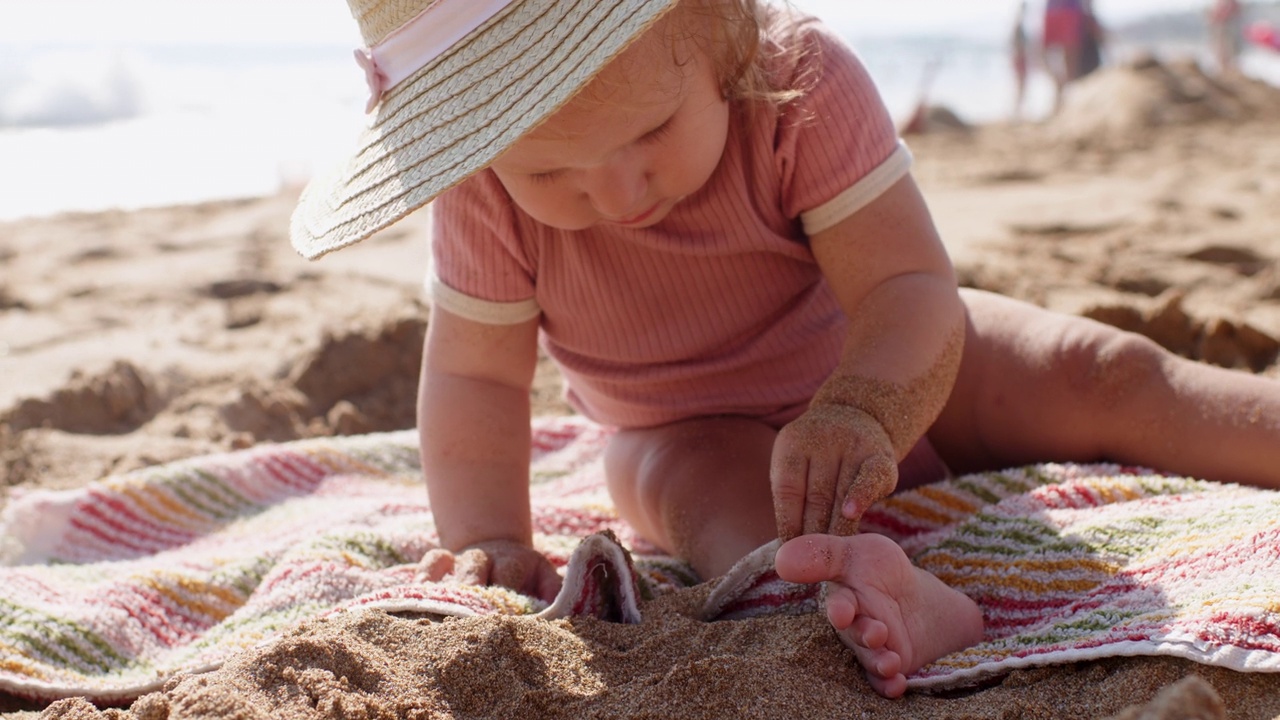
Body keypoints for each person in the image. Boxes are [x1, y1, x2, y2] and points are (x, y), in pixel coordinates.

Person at [290, 0, 1280, 699]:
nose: (620, 191)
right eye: (556, 172)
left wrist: (862, 404)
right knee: (720, 508)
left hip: (889, 359)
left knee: (1105, 376)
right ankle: (879, 593)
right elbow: (473, 377)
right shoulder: (483, 193)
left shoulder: (795, 82)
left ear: (717, 25)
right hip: (679, 425)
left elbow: (905, 289)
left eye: (651, 132)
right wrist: (491, 539)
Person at [1041, 0, 1087, 110]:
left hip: (1068, 9)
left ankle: (1066, 97)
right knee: (1043, 56)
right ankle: (1061, 90)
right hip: (1055, 9)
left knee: (1070, 60)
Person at [1209, 0, 1244, 75]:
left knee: (1228, 47)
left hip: (1229, 26)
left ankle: (1228, 68)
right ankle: (1223, 68)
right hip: (1222, 26)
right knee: (1221, 46)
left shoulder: (1232, 4)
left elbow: (1237, 9)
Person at [1011, 1, 1031, 119]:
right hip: (1020, 59)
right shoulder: (1018, 25)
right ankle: (1017, 112)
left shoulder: (1019, 24)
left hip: (1021, 59)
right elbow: (1017, 45)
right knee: (1020, 87)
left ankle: (1018, 111)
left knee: (1021, 87)